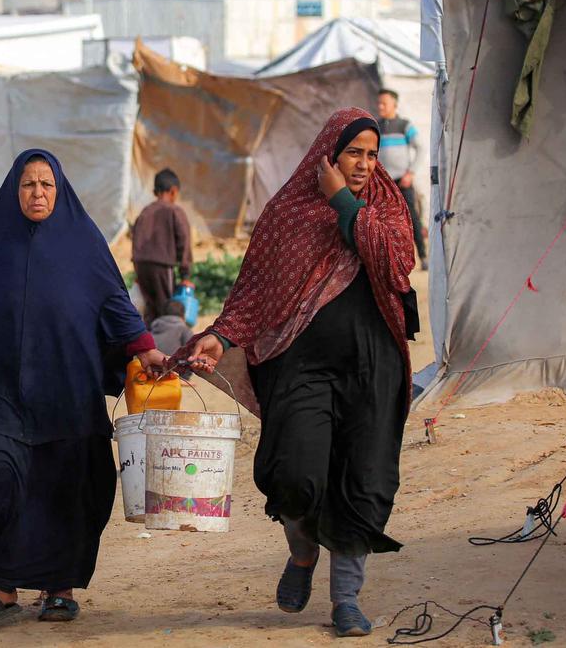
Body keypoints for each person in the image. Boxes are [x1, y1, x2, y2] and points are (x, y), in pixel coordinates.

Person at [177, 108, 416, 638]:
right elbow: (254, 289)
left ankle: (346, 600)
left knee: (363, 482)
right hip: (302, 368)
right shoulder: (288, 211)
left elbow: (394, 259)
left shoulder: (384, 206)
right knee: (293, 474)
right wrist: (220, 336)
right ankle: (303, 550)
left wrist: (342, 200)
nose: (363, 164)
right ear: (328, 151)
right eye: (354, 152)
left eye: (372, 154)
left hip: (371, 372)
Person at [0, 149, 167, 625]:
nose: (37, 193)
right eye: (29, 184)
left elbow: (114, 301)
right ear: (15, 189)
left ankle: (59, 588)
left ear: (60, 190)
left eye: (46, 185)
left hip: (69, 389)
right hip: (1, 388)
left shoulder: (82, 240)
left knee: (66, 487)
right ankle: (2, 586)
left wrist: (144, 348)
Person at [131, 168, 193, 324]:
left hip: (141, 265)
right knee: (166, 308)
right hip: (162, 266)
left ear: (154, 191)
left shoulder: (145, 212)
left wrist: (138, 271)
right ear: (173, 191)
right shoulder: (174, 211)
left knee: (150, 309)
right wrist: (185, 274)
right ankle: (165, 343)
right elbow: (184, 241)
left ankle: (150, 342)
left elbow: (135, 239)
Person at [376, 89, 427, 269]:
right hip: (384, 185)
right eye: (379, 103)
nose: (380, 106)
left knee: (412, 218)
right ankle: (389, 261)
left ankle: (423, 256)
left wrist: (410, 173)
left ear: (394, 105)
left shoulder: (404, 125)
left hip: (402, 181)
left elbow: (421, 148)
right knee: (383, 222)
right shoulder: (376, 126)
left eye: (384, 103)